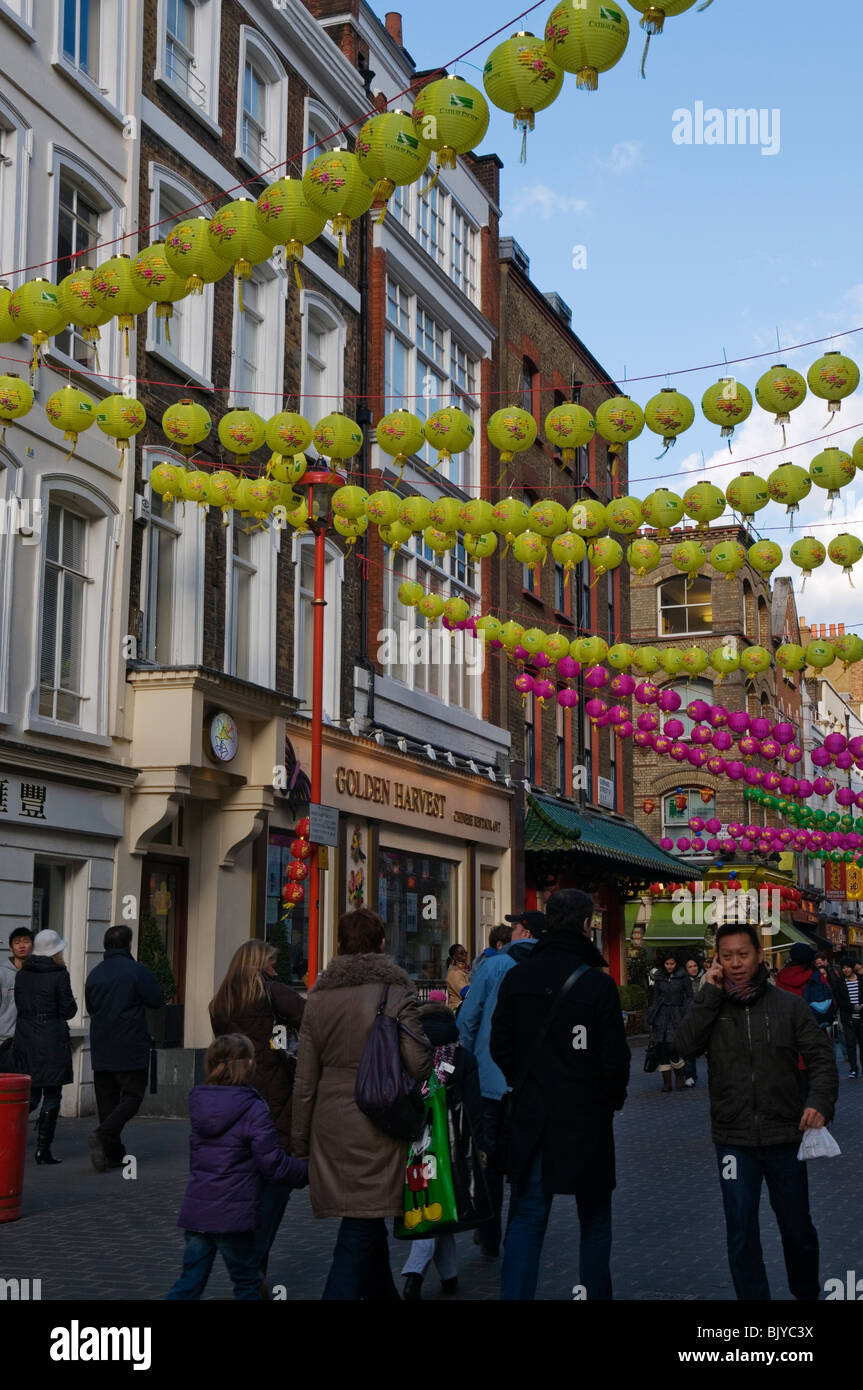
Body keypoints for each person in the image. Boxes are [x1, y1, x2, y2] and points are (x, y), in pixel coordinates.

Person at [675, 923, 838, 1302]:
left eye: (743, 954)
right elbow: (685, 1046)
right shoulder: (712, 1006)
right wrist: (708, 995)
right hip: (734, 1140)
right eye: (726, 956)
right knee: (741, 1233)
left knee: (798, 1231)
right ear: (717, 959)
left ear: (759, 956)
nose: (735, 963)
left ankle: (806, 1294)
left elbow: (820, 1058)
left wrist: (819, 1103)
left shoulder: (788, 1005)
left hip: (785, 1135)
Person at [490, 888, 630, 1301]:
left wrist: (524, 1080)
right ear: (588, 925)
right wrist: (609, 1098)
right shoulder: (597, 984)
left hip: (533, 1113)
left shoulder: (518, 977)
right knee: (595, 1218)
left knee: (527, 1218)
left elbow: (500, 1044)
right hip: (585, 1115)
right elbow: (614, 1059)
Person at [291, 907, 432, 1300]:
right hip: (379, 1117)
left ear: (340, 944)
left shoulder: (318, 998)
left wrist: (299, 1143)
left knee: (364, 1219)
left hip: (331, 1121)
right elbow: (420, 1064)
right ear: (381, 943)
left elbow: (304, 1079)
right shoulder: (396, 992)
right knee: (361, 1222)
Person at [166, 1033, 308, 1301]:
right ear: (247, 1065)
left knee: (189, 1282)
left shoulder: (199, 1104)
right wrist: (305, 1172)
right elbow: (272, 1164)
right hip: (234, 1214)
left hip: (198, 1212)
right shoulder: (253, 1108)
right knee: (247, 1283)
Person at [210, 939, 305, 1291]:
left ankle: (252, 1263)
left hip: (231, 1093)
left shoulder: (220, 1001)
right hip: (272, 1094)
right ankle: (254, 1263)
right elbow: (308, 1018)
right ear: (258, 965)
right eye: (271, 963)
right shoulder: (270, 993)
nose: (275, 970)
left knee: (249, 1178)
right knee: (277, 1179)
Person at [456, 914, 540, 1259]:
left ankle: (489, 1232)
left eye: (517, 926)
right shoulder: (553, 966)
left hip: (490, 1082)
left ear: (526, 932)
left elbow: (467, 1021)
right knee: (526, 1161)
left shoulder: (493, 967)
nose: (512, 930)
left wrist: (465, 1067)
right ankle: (521, 1231)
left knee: (487, 1160)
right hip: (533, 1083)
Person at [401, 989, 484, 1301]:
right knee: (437, 1205)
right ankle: (415, 1272)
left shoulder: (411, 1051)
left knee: (431, 1202)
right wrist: (480, 1145)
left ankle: (445, 1275)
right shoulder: (464, 1056)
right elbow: (474, 1108)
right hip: (452, 1146)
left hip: (416, 1144)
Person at [85, 924, 165, 1173]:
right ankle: (102, 1135)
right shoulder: (136, 970)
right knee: (132, 1096)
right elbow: (157, 999)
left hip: (101, 1045)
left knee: (107, 1102)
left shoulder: (95, 974)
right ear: (129, 944)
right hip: (130, 1044)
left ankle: (114, 1153)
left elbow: (91, 1008)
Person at [10, 930, 77, 1164]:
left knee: (30, 1094)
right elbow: (69, 1010)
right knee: (52, 1093)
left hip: (26, 1036)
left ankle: (6, 1133)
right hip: (51, 1038)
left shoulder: (23, 974)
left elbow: (19, 1004)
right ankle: (43, 1149)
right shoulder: (60, 973)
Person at [645, 951, 692, 1092]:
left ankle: (679, 1076)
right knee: (661, 1047)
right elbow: (655, 998)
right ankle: (666, 1083)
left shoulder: (683, 976)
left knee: (673, 1046)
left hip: (677, 1013)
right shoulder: (659, 977)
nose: (669, 966)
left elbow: (690, 996)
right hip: (661, 1014)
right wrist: (651, 1015)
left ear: (676, 963)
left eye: (672, 963)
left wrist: (684, 1011)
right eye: (667, 963)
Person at [0, 927, 34, 1066]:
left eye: (26, 941)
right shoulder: (2, 974)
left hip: (30, 1040)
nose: (21, 945)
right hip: (5, 1041)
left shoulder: (36, 974)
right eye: (17, 942)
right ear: (11, 948)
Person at [681, 954, 705, 1087]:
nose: (693, 969)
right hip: (689, 1019)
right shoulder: (683, 982)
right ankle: (689, 1075)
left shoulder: (707, 978)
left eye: (695, 965)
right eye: (690, 967)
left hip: (705, 1019)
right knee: (689, 1049)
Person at [837, 959, 861, 1077]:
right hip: (848, 1018)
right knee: (850, 1045)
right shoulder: (840, 982)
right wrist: (853, 1007)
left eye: (848, 967)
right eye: (843, 967)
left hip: (862, 1018)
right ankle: (853, 1069)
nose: (846, 969)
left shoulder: (861, 980)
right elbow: (840, 1000)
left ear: (852, 967)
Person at [446, 944, 470, 1011]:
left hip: (465, 1008)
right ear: (454, 957)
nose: (464, 954)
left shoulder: (465, 970)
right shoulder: (454, 973)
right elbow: (465, 992)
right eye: (461, 953)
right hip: (457, 1009)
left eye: (465, 952)